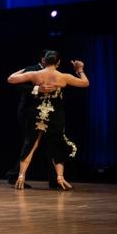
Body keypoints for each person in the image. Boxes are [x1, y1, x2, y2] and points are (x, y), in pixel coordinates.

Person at [7, 50, 88, 191]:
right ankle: (60, 178)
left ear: (45, 61)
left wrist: (24, 70)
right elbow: (85, 83)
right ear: (58, 62)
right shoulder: (63, 76)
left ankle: (21, 176)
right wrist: (79, 70)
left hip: (37, 114)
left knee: (30, 144)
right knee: (56, 146)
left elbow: (11, 79)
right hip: (54, 115)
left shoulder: (35, 74)